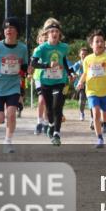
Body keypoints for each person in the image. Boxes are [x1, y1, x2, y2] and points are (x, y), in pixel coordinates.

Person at [0, 18, 30, 152]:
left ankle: (8, 141)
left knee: (11, 114)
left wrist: (28, 70)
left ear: (17, 31)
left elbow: (25, 65)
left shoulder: (22, 48)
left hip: (13, 85)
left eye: (11, 28)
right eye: (6, 28)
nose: (8, 30)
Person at [30, 18, 72, 146]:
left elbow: (64, 60)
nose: (54, 33)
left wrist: (70, 73)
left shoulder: (64, 47)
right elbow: (33, 63)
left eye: (56, 31)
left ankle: (56, 134)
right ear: (47, 34)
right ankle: (51, 125)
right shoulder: (41, 48)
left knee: (57, 106)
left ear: (59, 34)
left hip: (60, 80)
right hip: (45, 81)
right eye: (51, 31)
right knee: (49, 108)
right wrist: (48, 65)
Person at [70, 46, 89, 120]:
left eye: (85, 54)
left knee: (90, 98)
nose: (83, 55)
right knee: (82, 97)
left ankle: (92, 115)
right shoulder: (78, 64)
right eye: (82, 54)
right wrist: (73, 75)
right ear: (79, 55)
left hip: (89, 83)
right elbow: (71, 71)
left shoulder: (89, 62)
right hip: (80, 83)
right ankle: (81, 112)